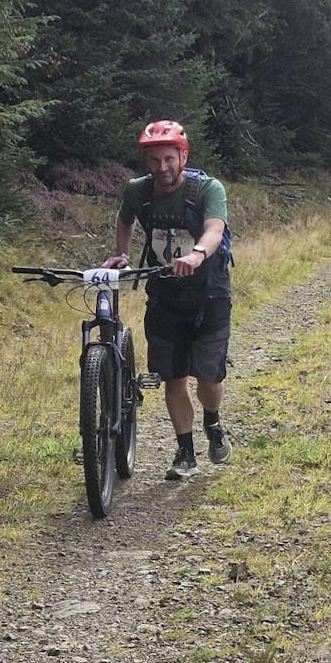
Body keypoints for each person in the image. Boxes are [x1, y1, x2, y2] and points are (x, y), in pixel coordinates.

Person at [102, 120, 233, 479]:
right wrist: (122, 253)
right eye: (155, 160)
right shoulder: (138, 191)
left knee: (208, 376)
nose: (162, 168)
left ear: (183, 156)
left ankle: (213, 421)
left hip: (209, 294)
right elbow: (125, 219)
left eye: (169, 159)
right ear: (147, 161)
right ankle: (185, 452)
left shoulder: (208, 188)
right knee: (173, 377)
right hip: (164, 295)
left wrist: (196, 255)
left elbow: (214, 229)